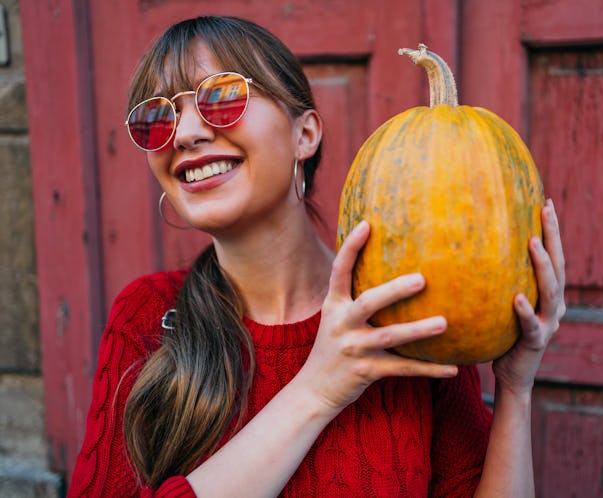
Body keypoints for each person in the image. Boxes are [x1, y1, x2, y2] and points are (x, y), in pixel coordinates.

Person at [68, 15, 566, 498]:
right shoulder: (146, 317)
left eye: (221, 97)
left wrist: (516, 389)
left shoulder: (402, 309)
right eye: (156, 118)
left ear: (304, 134)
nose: (185, 134)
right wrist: (317, 389)